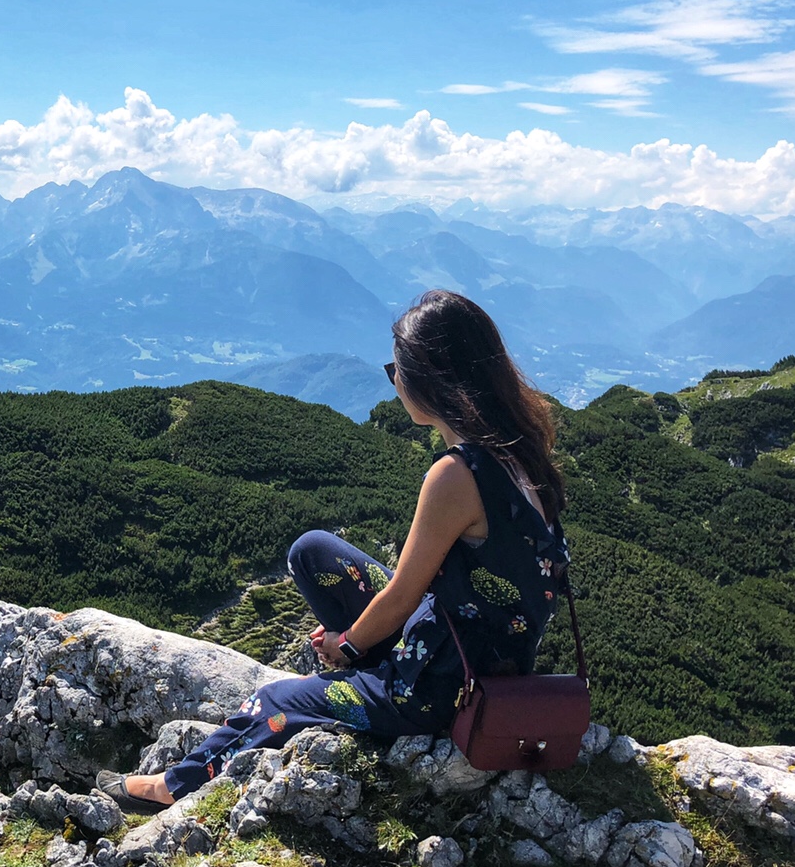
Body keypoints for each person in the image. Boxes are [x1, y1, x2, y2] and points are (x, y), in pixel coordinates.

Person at [97, 289, 571, 813]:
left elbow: (402, 595)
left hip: (442, 689)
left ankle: (171, 787)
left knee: (275, 700)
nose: (394, 381)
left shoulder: (456, 476)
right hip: (470, 640)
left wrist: (346, 645)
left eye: (397, 370)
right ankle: (362, 669)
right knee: (313, 553)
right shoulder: (520, 450)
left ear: (429, 379)